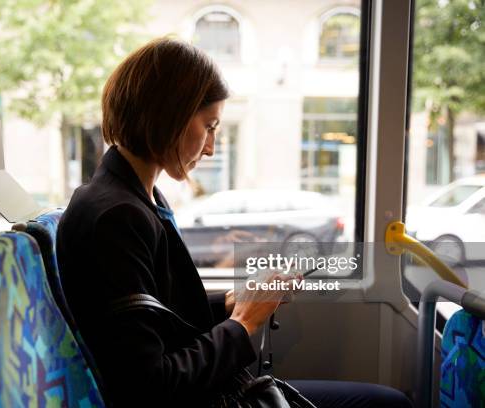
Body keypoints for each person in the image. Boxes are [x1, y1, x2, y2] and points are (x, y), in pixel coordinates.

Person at [56, 37, 413, 408]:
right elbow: (150, 386)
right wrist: (242, 325)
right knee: (387, 404)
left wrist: (232, 302)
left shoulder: (136, 197)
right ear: (169, 115)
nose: (210, 147)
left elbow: (160, 318)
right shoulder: (116, 218)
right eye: (209, 126)